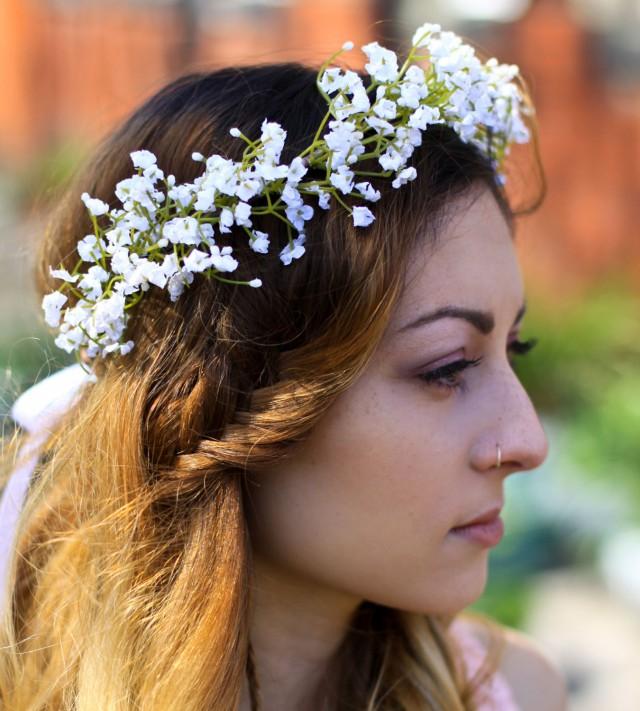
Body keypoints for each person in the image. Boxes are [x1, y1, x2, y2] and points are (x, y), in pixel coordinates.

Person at [0, 24, 568, 710]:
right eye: (445, 367)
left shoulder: (514, 692)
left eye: (515, 349)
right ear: (220, 397)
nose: (527, 441)